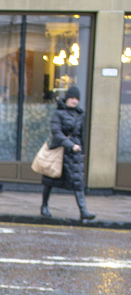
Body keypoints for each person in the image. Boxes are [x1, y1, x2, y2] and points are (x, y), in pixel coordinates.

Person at [41, 85, 95, 222]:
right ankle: (44, 205)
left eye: (77, 98)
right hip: (59, 151)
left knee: (78, 182)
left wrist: (82, 150)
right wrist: (70, 145)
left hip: (74, 153)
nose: (74, 101)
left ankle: (83, 211)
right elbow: (56, 133)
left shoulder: (80, 114)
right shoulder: (59, 113)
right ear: (67, 99)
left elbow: (82, 134)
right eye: (72, 98)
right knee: (50, 180)